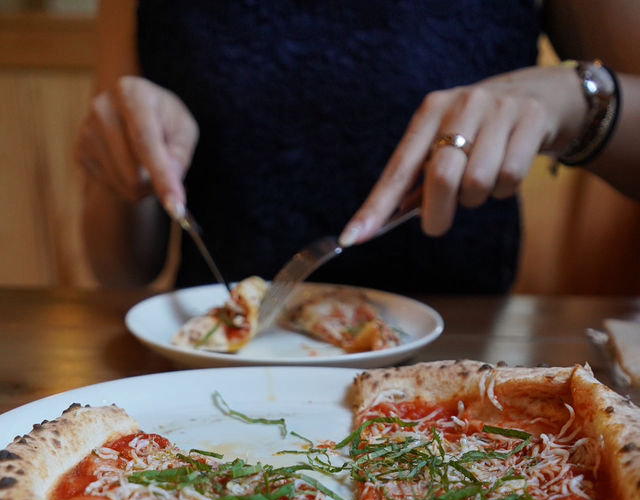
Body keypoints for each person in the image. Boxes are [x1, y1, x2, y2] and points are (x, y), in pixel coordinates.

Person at [75, 1, 640, 296]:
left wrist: (581, 100)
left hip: (461, 371)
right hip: (208, 362)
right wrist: (119, 167)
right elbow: (119, 269)